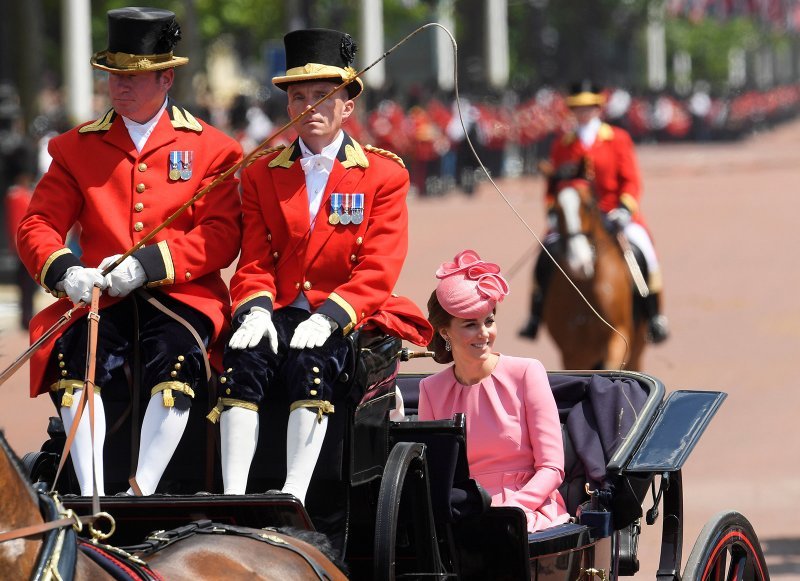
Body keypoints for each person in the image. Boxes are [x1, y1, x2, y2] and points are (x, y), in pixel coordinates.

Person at [16, 7, 242, 496]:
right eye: (114, 75)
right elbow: (38, 223)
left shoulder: (213, 148)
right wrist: (65, 272)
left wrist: (147, 265)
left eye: (134, 77)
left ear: (166, 77)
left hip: (181, 296)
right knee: (71, 361)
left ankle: (141, 492)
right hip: (100, 297)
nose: (120, 86)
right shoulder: (76, 147)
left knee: (176, 362)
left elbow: (221, 233)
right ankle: (95, 492)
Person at [208, 28, 432, 502]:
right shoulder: (261, 172)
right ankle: (233, 497)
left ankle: (294, 497)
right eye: (300, 97)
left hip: (347, 314)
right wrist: (254, 310)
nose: (311, 107)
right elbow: (254, 259)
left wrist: (332, 316)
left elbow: (380, 264)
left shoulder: (384, 174)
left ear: (346, 106)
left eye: (322, 96)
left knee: (312, 362)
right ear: (288, 107)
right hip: (280, 307)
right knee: (241, 361)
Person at [418, 249, 571, 534]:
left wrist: (512, 511)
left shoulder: (526, 372)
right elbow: (436, 476)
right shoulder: (431, 389)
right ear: (445, 332)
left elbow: (552, 467)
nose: (484, 333)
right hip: (462, 515)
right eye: (470, 325)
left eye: (488, 321)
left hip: (529, 511)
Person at [519, 80, 669, 344]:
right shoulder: (562, 144)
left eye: (588, 107)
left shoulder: (617, 139)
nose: (583, 112)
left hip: (614, 214)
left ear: (598, 108)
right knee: (545, 257)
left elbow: (632, 180)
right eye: (578, 107)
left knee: (643, 254)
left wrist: (624, 208)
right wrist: (553, 212)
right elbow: (552, 187)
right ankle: (535, 315)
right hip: (575, 218)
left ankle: (654, 315)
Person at [4, 141, 38, 330]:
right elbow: (17, 224)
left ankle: (28, 315)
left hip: (30, 247)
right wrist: (20, 249)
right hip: (23, 249)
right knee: (25, 287)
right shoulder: (16, 195)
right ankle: (26, 318)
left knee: (30, 288)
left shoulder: (26, 193)